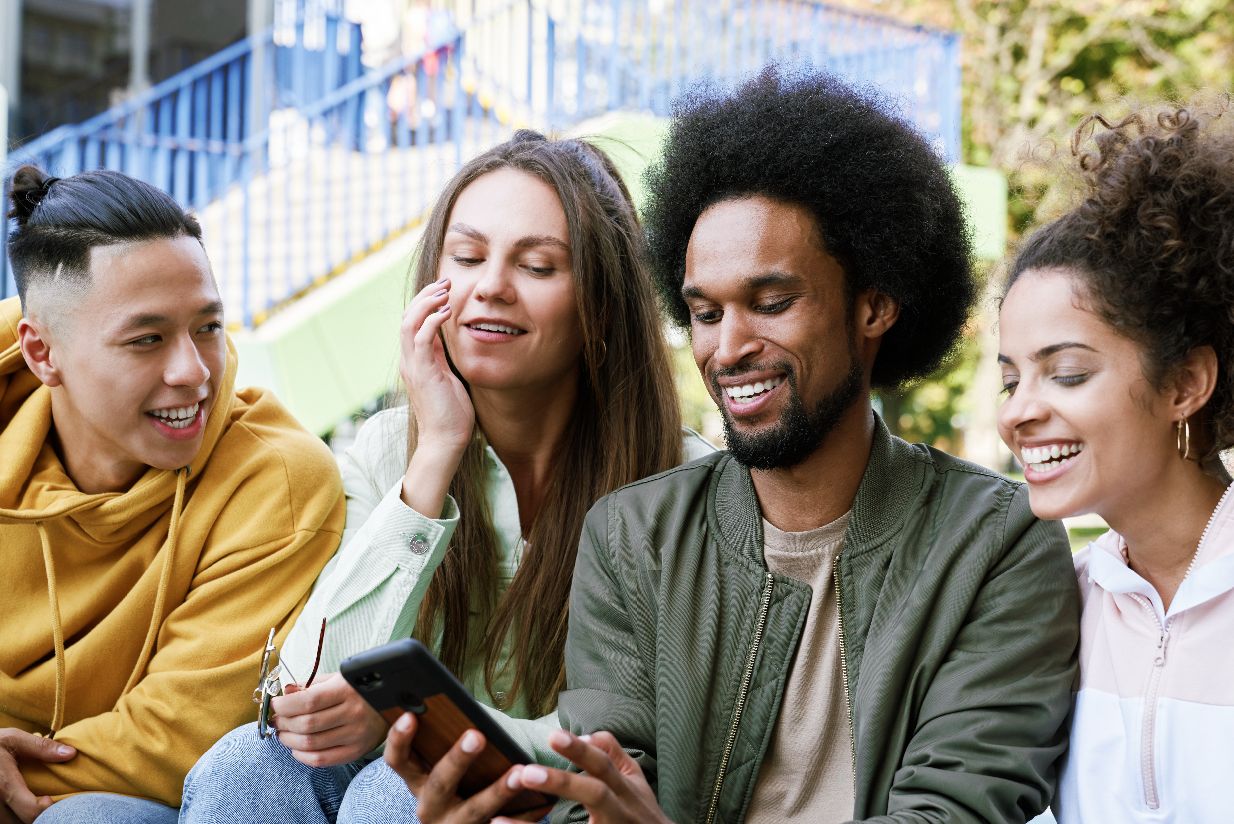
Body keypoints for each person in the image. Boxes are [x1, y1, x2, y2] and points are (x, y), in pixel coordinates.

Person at [394, 67, 1081, 824]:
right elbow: (603, 782)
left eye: (771, 303)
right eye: (705, 314)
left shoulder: (995, 542)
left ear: (875, 305)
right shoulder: (634, 535)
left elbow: (956, 812)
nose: (730, 348)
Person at [180, 130, 714, 823]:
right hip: (390, 778)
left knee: (393, 792)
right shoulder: (387, 449)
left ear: (602, 306)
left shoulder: (682, 483)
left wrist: (419, 730)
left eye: (539, 266)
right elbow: (306, 685)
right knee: (245, 767)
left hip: (557, 803)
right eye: (466, 257)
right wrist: (435, 451)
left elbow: (648, 738)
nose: (490, 287)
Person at [0, 166, 345, 824]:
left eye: (208, 328)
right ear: (43, 352)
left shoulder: (277, 481)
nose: (193, 372)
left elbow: (174, 740)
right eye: (147, 339)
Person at [997, 103, 1234, 823]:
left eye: (1065, 373)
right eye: (1010, 380)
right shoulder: (1057, 607)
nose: (1016, 412)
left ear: (1185, 383)